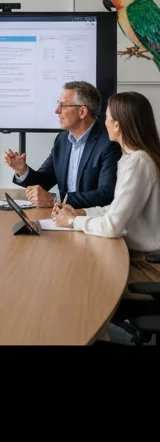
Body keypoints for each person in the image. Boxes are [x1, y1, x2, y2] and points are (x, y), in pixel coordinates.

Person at [51, 91, 160, 340]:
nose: (105, 123)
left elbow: (113, 226)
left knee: (81, 282)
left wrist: (73, 221)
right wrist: (78, 212)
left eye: (108, 118)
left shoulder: (139, 163)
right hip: (137, 257)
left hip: (147, 266)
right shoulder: (131, 159)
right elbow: (113, 210)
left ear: (118, 125)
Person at [3, 81, 120, 208]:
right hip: (62, 217)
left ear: (82, 112)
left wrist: (57, 200)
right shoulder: (62, 139)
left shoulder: (109, 143)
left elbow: (106, 194)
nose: (56, 111)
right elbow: (44, 181)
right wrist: (22, 170)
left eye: (63, 106)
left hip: (91, 220)